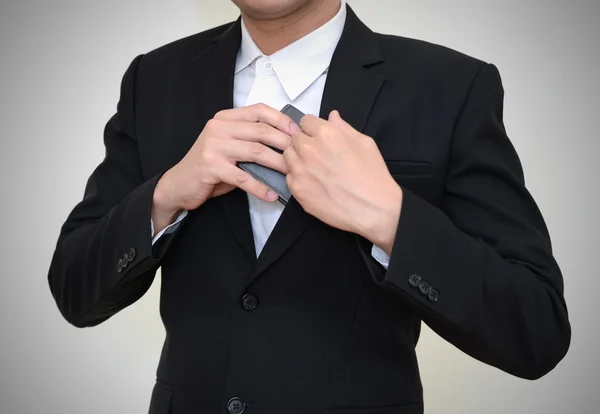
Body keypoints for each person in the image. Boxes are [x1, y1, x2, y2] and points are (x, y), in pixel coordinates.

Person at [47, 0, 571, 413]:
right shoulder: (154, 79)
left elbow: (536, 330)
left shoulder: (450, 86)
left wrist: (390, 217)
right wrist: (165, 196)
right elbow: (74, 289)